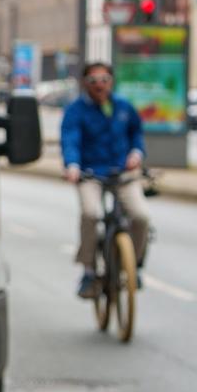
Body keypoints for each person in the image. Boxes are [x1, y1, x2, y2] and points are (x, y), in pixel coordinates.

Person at [61, 62, 150, 299]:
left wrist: (136, 153)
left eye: (104, 79)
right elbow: (70, 140)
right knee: (90, 214)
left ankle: (135, 265)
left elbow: (136, 133)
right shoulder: (76, 110)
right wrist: (72, 166)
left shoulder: (123, 106)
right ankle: (89, 270)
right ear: (85, 83)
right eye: (93, 81)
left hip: (122, 173)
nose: (100, 85)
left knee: (140, 216)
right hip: (90, 173)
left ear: (111, 81)